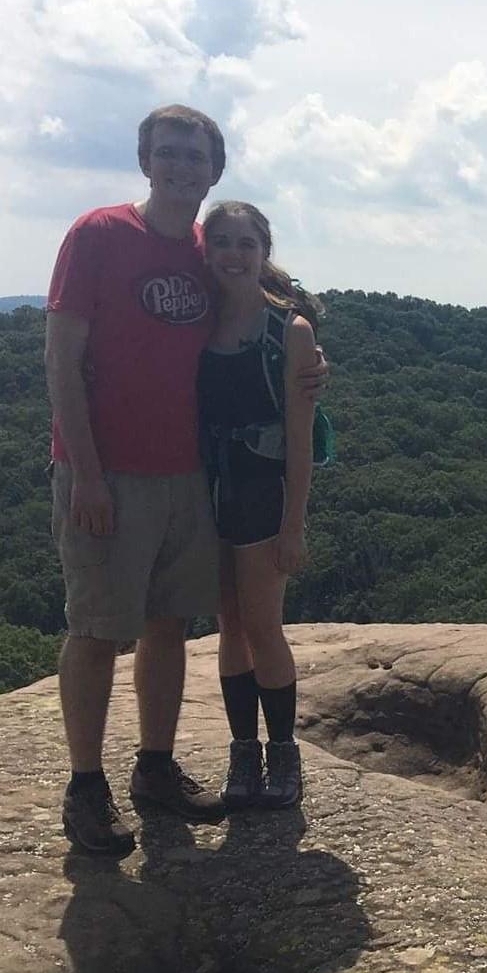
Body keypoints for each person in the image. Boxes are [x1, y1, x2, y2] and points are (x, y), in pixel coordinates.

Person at [45, 105, 324, 855]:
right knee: (98, 628)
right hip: (108, 471)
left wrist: (307, 334)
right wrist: (89, 476)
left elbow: (255, 279)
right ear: (144, 159)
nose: (180, 166)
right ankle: (85, 787)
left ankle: (156, 768)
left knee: (169, 625)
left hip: (192, 477)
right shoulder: (99, 234)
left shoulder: (207, 247)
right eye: (167, 153)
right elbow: (60, 362)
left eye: (194, 156)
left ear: (214, 169)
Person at [198, 202, 318, 810]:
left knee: (263, 626)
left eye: (245, 243)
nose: (233, 254)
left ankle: (284, 754)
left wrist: (293, 523)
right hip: (204, 491)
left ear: (263, 250)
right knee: (228, 624)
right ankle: (243, 751)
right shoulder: (196, 321)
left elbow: (300, 439)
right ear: (206, 250)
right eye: (221, 242)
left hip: (260, 490)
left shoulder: (289, 332)